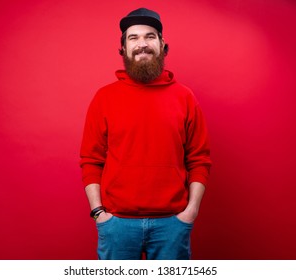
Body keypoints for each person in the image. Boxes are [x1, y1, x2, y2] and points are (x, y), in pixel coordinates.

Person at [79, 7, 212, 260]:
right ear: (123, 50)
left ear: (163, 45)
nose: (142, 44)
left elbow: (199, 159)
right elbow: (91, 160)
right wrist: (99, 213)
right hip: (117, 224)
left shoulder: (184, 97)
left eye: (150, 36)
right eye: (134, 38)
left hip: (172, 224)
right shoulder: (104, 98)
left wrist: (191, 211)